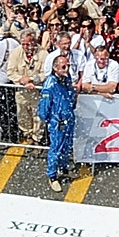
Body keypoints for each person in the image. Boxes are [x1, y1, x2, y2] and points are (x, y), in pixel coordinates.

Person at [38, 50, 79, 193]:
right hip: (57, 121)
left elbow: (70, 96)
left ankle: (64, 168)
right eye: (63, 67)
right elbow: (43, 108)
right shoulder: (50, 84)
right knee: (55, 149)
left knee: (66, 147)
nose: (66, 69)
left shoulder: (66, 80)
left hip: (68, 119)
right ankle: (53, 176)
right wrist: (50, 120)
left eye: (68, 66)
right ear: (55, 68)